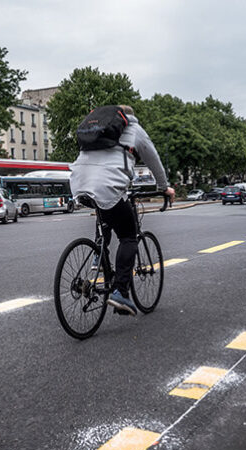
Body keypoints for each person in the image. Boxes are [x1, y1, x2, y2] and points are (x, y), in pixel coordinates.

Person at [69, 105, 175, 316]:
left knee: (107, 212)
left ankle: (98, 256)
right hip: (107, 186)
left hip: (78, 183)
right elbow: (153, 159)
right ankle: (120, 292)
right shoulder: (135, 129)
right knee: (128, 236)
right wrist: (164, 187)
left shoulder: (99, 128)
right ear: (130, 117)